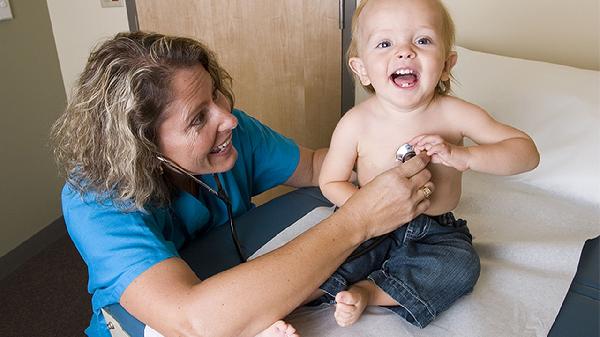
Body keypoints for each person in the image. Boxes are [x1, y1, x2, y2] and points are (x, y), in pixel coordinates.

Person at [50, 31, 435, 337]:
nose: (227, 119)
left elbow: (320, 167)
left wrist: (393, 156)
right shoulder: (95, 198)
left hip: (225, 273)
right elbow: (192, 324)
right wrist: (359, 221)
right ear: (143, 146)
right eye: (198, 118)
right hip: (148, 318)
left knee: (322, 197)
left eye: (215, 94)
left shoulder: (233, 133)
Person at [317, 0, 540, 329]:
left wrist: (465, 157)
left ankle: (370, 292)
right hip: (369, 223)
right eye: (384, 43)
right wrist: (365, 209)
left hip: (433, 230)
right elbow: (331, 181)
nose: (405, 52)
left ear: (447, 64)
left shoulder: (455, 114)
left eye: (422, 40)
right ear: (361, 68)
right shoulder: (356, 123)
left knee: (461, 265)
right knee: (319, 257)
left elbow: (526, 152)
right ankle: (282, 307)